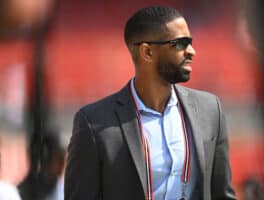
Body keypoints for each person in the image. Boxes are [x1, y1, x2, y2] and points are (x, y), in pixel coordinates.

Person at [65, 6, 236, 200]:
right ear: (147, 52)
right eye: (180, 44)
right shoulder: (94, 123)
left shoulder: (210, 110)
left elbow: (223, 195)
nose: (192, 51)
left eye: (190, 42)